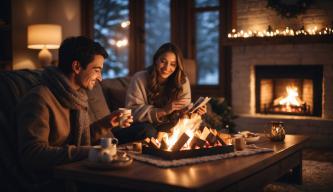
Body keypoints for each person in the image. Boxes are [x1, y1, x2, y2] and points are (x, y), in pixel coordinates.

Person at [16, 36, 133, 190]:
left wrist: (107, 123)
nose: (100, 78)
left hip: (76, 172)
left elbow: (77, 138)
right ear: (77, 67)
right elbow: (32, 154)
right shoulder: (39, 98)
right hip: (53, 180)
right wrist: (89, 152)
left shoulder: (77, 96)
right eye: (96, 70)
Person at [125, 42, 206, 137]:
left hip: (168, 124)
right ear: (156, 60)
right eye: (163, 61)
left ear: (177, 67)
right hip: (143, 125)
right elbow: (131, 112)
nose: (167, 68)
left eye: (173, 64)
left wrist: (195, 112)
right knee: (148, 131)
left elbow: (184, 112)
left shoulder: (182, 80)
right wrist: (163, 111)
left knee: (198, 128)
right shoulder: (139, 78)